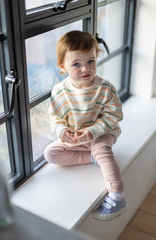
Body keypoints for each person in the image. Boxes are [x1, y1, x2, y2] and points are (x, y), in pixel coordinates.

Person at [44, 30, 127, 221]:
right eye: (76, 64)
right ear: (62, 67)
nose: (85, 69)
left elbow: (115, 114)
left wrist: (93, 131)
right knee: (51, 153)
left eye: (90, 61)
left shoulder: (104, 88)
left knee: (101, 147)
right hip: (77, 138)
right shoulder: (60, 91)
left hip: (102, 132)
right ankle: (91, 158)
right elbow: (55, 118)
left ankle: (117, 194)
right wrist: (62, 131)